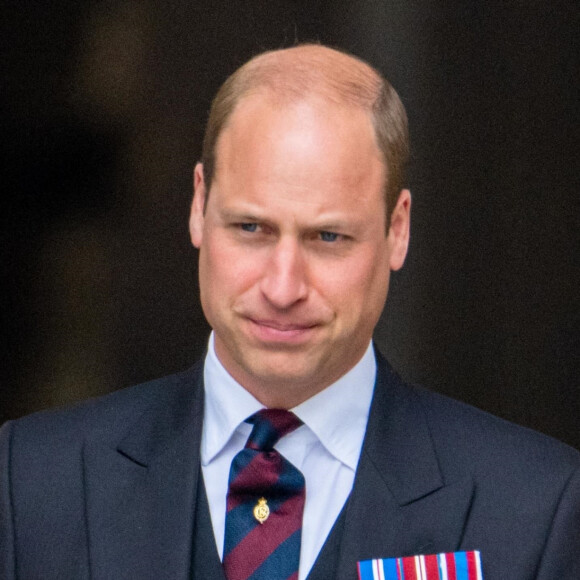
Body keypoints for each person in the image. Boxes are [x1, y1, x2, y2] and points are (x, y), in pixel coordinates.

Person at [1, 44, 579, 580]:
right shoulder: (27, 482)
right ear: (199, 205)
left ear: (396, 229)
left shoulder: (536, 507)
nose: (283, 287)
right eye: (251, 228)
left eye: (328, 237)